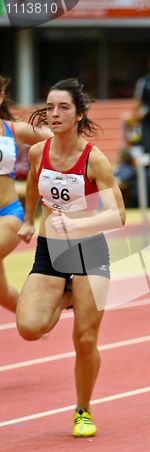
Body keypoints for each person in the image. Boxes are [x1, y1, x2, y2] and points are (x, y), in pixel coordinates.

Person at [16, 78, 126, 437]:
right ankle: (66, 296)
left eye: (63, 107)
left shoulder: (94, 160)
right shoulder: (39, 153)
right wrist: (30, 219)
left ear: (79, 115)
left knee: (85, 339)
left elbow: (117, 215)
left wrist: (78, 225)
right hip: (51, 251)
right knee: (29, 328)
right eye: (50, 106)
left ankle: (83, 409)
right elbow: (34, 182)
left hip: (89, 251)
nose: (54, 113)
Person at [0, 75, 52, 313]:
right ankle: (35, 319)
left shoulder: (12, 129)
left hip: (8, 215)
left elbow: (55, 137)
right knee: (3, 294)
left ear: (1, 98)